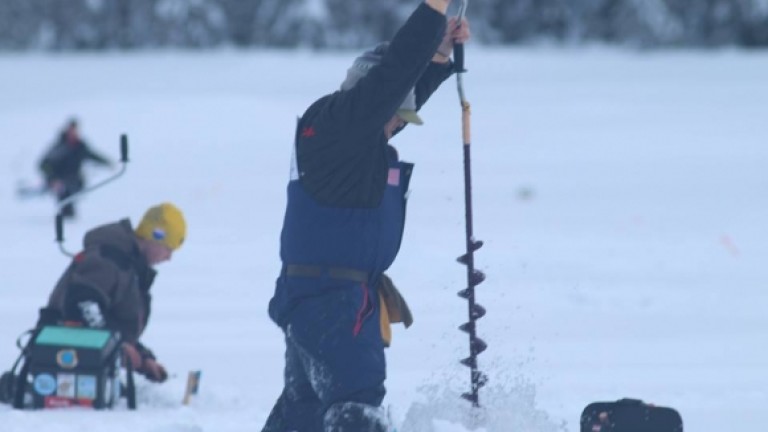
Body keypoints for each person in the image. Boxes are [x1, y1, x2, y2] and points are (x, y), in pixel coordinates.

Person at [262, 0, 470, 430]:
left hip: (322, 295)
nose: (397, 126)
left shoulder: (349, 140)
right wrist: (433, 13)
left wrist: (440, 56)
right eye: (395, 116)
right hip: (332, 301)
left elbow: (397, 88)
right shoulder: (339, 124)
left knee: (303, 414)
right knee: (356, 404)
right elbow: (393, 75)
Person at [41, 202, 187, 383]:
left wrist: (142, 359)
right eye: (168, 249)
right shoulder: (108, 260)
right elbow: (82, 306)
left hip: (83, 366)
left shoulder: (129, 268)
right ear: (155, 236)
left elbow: (110, 323)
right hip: (65, 363)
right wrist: (117, 345)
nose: (169, 258)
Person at [38, 118, 113, 219]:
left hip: (75, 180)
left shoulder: (80, 146)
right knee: (65, 199)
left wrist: (107, 163)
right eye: (71, 130)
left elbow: (92, 156)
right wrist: (53, 179)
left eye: (75, 131)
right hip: (60, 181)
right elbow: (44, 164)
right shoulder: (60, 147)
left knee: (71, 197)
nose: (73, 133)